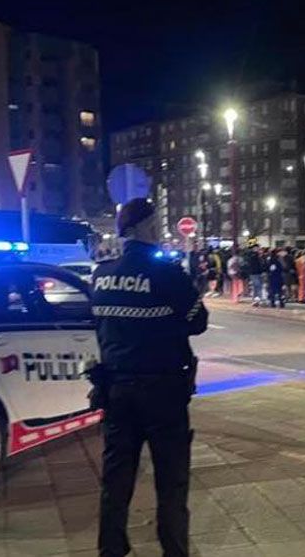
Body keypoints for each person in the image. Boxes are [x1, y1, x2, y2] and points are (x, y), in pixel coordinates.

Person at [90, 198, 208, 557]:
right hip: (163, 392)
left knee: (116, 478)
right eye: (156, 222)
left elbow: (100, 325)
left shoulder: (102, 273)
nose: (160, 229)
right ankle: (173, 550)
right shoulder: (166, 273)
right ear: (142, 226)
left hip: (116, 389)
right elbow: (198, 322)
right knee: (171, 481)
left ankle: (111, 548)